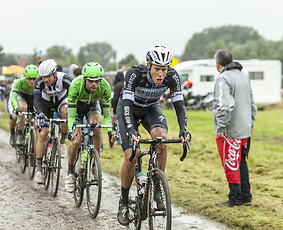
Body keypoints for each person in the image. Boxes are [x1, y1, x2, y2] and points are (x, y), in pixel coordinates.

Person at [116, 45, 191, 226]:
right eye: (156, 69)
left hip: (150, 109)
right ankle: (124, 202)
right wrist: (131, 130)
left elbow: (179, 104)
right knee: (131, 156)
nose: (160, 74)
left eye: (163, 69)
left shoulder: (172, 76)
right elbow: (126, 104)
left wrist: (183, 129)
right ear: (148, 65)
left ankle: (157, 186)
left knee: (161, 139)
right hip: (129, 110)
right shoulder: (135, 74)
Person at [213, 50, 257, 207]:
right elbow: (252, 103)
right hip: (245, 128)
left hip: (230, 130)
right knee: (242, 162)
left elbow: (224, 104)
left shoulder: (223, 78)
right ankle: (246, 196)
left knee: (231, 163)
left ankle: (235, 199)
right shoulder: (244, 77)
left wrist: (222, 125)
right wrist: (251, 123)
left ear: (218, 64)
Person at [66, 62, 116, 193]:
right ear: (84, 79)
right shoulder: (76, 86)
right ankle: (70, 172)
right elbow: (70, 117)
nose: (94, 84)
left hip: (92, 106)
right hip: (76, 109)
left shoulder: (105, 87)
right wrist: (72, 130)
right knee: (76, 140)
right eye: (91, 81)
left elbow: (106, 116)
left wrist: (110, 131)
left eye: (97, 81)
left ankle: (94, 162)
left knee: (98, 128)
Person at [33, 59, 72, 184]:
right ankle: (39, 169)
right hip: (45, 104)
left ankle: (62, 141)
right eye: (43, 77)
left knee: (66, 112)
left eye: (48, 77)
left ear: (55, 74)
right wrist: (41, 113)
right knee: (43, 134)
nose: (45, 80)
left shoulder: (65, 79)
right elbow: (36, 101)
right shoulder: (39, 82)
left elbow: (73, 98)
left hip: (60, 102)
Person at [8, 65, 39, 146]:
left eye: (34, 79)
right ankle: (17, 133)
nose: (32, 81)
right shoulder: (19, 82)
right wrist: (16, 108)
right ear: (25, 77)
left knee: (36, 124)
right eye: (29, 79)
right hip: (21, 98)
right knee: (21, 110)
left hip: (33, 99)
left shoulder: (40, 83)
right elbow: (13, 98)